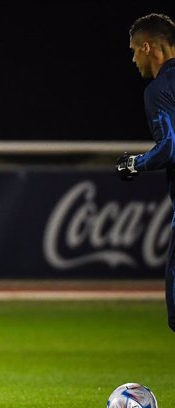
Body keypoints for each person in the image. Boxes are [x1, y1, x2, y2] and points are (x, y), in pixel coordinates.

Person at [116, 13, 175, 332]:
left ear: (148, 48)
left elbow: (170, 148)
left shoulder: (159, 90)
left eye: (134, 50)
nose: (133, 58)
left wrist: (133, 163)